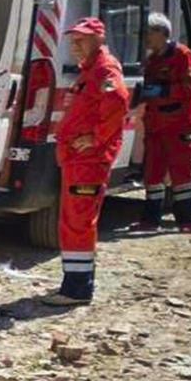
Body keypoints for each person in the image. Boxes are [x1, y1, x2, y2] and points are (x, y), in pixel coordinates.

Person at [46, 17, 130, 304]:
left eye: (81, 40)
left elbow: (118, 101)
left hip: (89, 160)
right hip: (79, 159)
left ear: (98, 39)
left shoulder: (104, 69)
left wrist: (96, 138)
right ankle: (77, 283)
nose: (75, 46)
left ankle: (77, 290)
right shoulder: (91, 70)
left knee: (78, 221)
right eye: (72, 40)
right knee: (74, 219)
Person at [135, 12, 191, 233]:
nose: (146, 37)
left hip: (178, 124)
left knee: (181, 173)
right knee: (152, 174)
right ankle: (151, 220)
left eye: (149, 33)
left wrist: (163, 90)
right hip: (154, 126)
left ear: (162, 33)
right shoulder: (152, 60)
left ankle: (186, 221)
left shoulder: (182, 55)